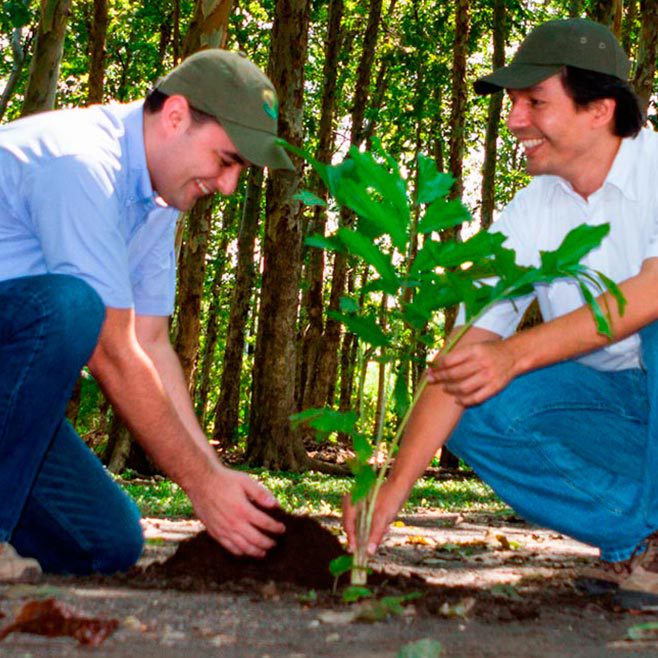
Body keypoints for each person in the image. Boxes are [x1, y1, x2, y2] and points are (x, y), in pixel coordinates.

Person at [344, 17, 658, 609]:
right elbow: (466, 348)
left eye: (535, 101)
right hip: (624, 412)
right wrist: (390, 491)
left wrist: (513, 353)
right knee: (473, 397)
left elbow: (651, 291)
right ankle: (642, 537)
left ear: (601, 109)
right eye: (514, 102)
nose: (514, 119)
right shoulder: (530, 210)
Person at [0, 50, 294, 581]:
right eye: (226, 161)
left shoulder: (158, 203)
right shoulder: (81, 163)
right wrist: (200, 486)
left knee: (107, 541)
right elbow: (112, 353)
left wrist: (215, 473)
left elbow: (150, 345)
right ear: (176, 116)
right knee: (69, 308)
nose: (228, 186)